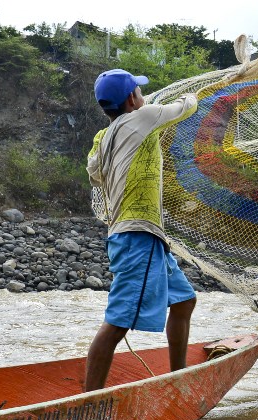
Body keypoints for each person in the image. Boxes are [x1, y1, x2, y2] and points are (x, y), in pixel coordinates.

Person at [84, 69, 198, 392]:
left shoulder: (102, 139)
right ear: (133, 98)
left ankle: (178, 379)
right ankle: (88, 402)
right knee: (117, 322)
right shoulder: (144, 117)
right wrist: (196, 94)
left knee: (184, 301)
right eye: (139, 91)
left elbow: (94, 173)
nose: (143, 96)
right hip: (137, 238)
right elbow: (186, 107)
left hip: (144, 237)